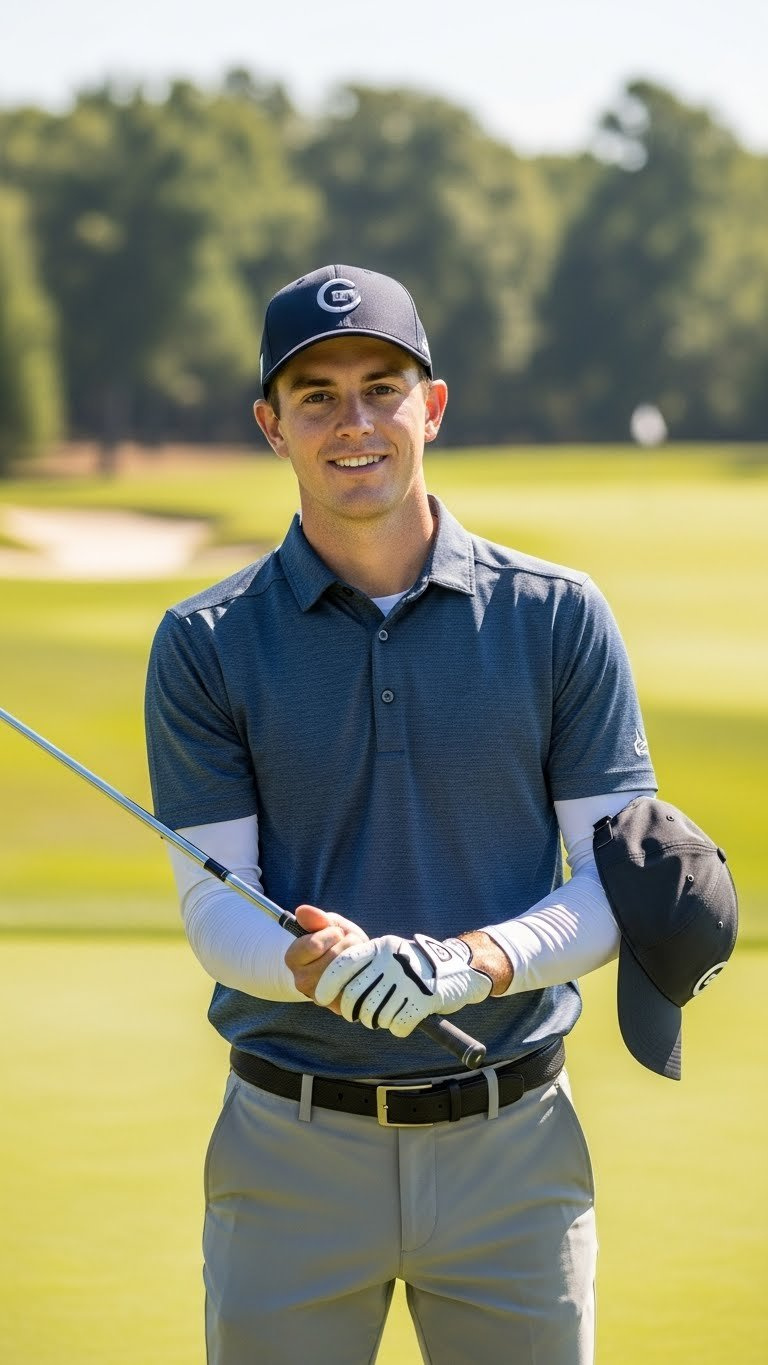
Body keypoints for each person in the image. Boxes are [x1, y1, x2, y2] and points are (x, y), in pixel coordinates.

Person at [145, 263, 658, 1365]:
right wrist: (316, 966)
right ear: (271, 426)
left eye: (382, 386)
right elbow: (215, 909)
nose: (355, 421)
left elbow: (610, 887)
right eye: (317, 395)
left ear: (432, 405)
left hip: (513, 1151)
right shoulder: (204, 643)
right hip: (289, 1152)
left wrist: (467, 963)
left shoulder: (559, 618)